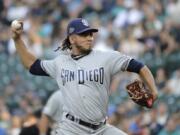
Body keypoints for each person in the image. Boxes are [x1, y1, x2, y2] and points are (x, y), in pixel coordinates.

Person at [11, 18, 158, 135]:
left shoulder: (106, 57)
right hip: (71, 129)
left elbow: (139, 67)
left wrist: (153, 89)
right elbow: (32, 65)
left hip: (101, 129)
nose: (89, 38)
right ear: (72, 39)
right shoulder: (60, 62)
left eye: (90, 34)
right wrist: (17, 40)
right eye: (84, 34)